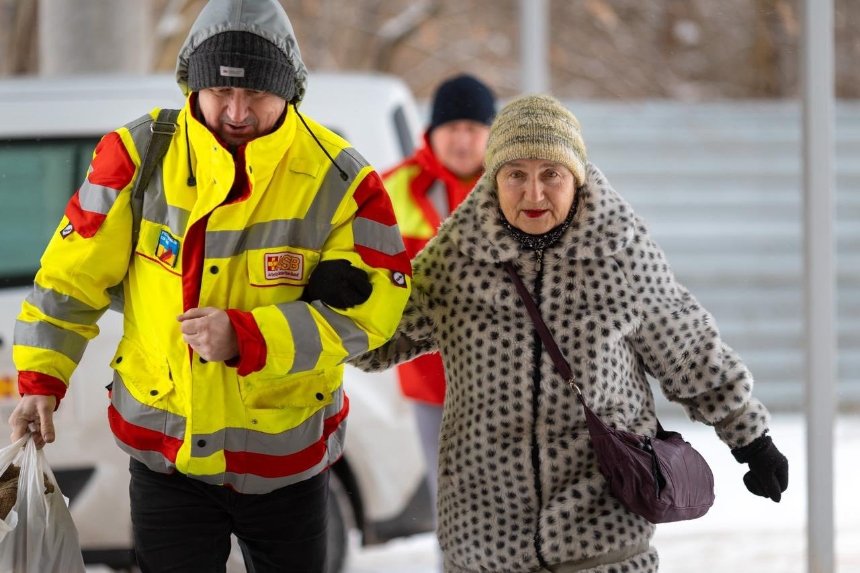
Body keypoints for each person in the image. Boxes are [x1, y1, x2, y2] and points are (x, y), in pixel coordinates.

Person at [7, 0, 411, 571]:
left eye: (257, 94)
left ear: (289, 91)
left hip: (287, 460)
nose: (237, 111)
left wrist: (251, 336)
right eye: (220, 92)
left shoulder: (342, 180)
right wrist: (40, 377)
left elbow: (375, 310)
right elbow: (69, 279)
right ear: (190, 85)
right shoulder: (136, 156)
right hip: (165, 459)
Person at [351, 94, 789, 573]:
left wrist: (752, 441)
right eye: (516, 174)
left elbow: (689, 350)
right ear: (493, 179)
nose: (533, 194)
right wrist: (350, 297)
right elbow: (380, 341)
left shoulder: (619, 252)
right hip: (485, 540)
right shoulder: (456, 258)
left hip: (603, 535)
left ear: (576, 178)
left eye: (551, 174)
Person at [381, 73, 496, 520]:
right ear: (431, 132)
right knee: (454, 504)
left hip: (512, 377)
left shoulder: (518, 183)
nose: (463, 140)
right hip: (432, 380)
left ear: (491, 132)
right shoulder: (394, 187)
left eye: (473, 128)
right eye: (452, 128)